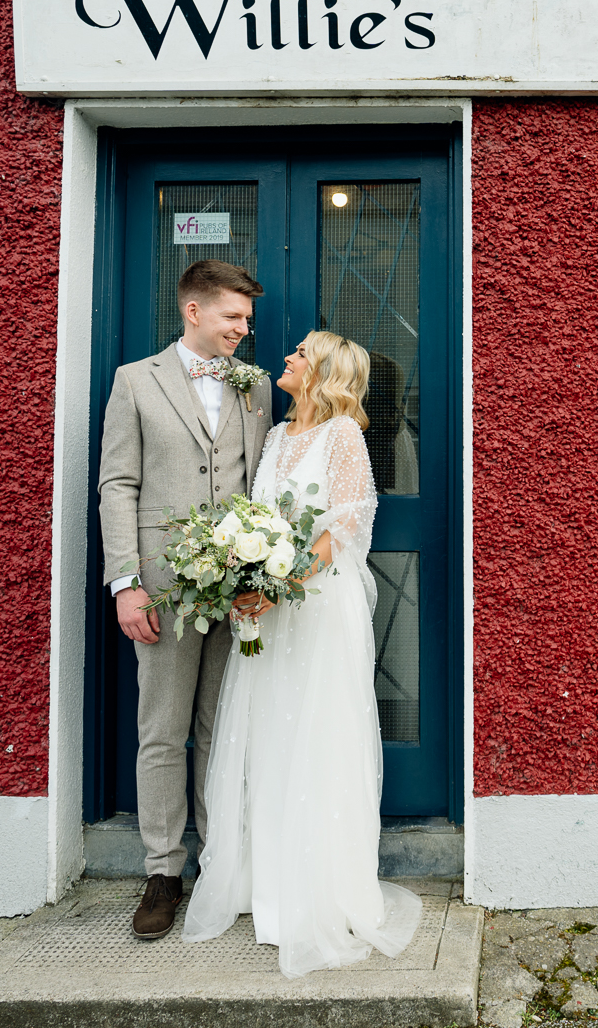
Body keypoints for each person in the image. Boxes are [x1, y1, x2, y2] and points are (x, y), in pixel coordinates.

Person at [182, 331, 421, 976]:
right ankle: (270, 883)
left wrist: (280, 585)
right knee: (269, 735)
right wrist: (244, 578)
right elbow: (257, 520)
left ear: (323, 371)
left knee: (318, 734)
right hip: (269, 613)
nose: (286, 358)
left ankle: (317, 888)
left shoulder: (343, 436)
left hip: (316, 609)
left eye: (300, 353)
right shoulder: (279, 437)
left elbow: (344, 525)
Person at [96, 259, 270, 941]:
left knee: (221, 730)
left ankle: (220, 864)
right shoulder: (134, 382)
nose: (242, 329)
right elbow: (118, 485)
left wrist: (256, 576)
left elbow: (260, 483)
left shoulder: (253, 389)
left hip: (235, 589)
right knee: (162, 730)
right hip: (162, 588)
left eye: (247, 320)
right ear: (193, 311)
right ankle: (163, 871)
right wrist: (126, 582)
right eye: (233, 316)